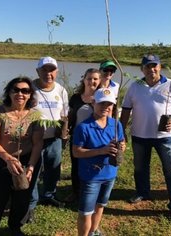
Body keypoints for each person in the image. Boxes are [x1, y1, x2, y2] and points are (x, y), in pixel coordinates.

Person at [120, 54, 171, 222]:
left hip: (165, 136)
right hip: (139, 135)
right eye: (148, 66)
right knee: (140, 167)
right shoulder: (135, 86)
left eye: (154, 66)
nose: (152, 69)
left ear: (160, 67)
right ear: (142, 69)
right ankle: (142, 192)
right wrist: (122, 133)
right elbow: (126, 110)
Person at [0, 76, 44, 236]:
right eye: (16, 89)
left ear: (30, 95)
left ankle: (15, 227)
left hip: (27, 160)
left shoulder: (35, 115)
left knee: (22, 197)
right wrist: (7, 158)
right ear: (9, 92)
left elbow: (37, 144)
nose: (20, 94)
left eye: (25, 90)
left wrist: (31, 166)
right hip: (1, 160)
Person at [73, 87, 125, 236]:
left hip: (110, 174)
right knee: (85, 212)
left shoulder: (116, 124)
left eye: (109, 104)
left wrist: (121, 147)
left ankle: (94, 232)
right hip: (91, 176)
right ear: (93, 103)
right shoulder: (84, 127)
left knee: (101, 205)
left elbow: (122, 142)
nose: (105, 107)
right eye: (101, 103)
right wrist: (101, 151)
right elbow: (76, 152)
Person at [29, 56, 69, 218]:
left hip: (54, 138)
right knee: (33, 170)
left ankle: (48, 195)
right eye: (44, 70)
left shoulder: (61, 90)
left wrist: (64, 134)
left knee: (53, 168)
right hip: (33, 139)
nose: (48, 73)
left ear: (56, 71)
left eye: (51, 70)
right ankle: (31, 203)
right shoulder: (29, 88)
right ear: (38, 71)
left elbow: (65, 114)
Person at [64, 68, 102, 203]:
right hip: (77, 137)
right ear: (84, 80)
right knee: (76, 164)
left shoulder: (102, 97)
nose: (92, 81)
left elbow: (108, 117)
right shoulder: (75, 98)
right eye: (89, 78)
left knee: (94, 164)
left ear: (100, 80)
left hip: (95, 138)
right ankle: (76, 192)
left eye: (95, 79)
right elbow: (69, 116)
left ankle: (93, 192)